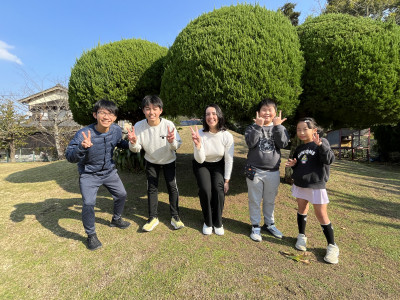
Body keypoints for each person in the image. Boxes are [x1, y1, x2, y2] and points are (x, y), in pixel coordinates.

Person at [65, 99, 133, 251]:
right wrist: (82, 147)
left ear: (115, 117)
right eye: (103, 113)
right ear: (95, 115)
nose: (107, 117)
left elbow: (118, 142)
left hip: (109, 172)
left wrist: (130, 143)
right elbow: (70, 156)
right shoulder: (83, 134)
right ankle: (91, 235)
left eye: (111, 114)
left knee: (121, 194)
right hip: (89, 174)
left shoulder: (115, 130)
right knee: (89, 203)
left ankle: (116, 219)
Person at [285, 117, 339, 264]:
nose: (301, 132)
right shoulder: (299, 148)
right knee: (301, 209)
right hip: (301, 184)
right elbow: (302, 164)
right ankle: (301, 236)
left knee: (321, 214)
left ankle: (332, 246)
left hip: (316, 185)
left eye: (305, 129)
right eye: (298, 129)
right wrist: (294, 165)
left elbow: (329, 160)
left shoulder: (322, 142)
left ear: (314, 130)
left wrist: (320, 145)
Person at [128, 95, 184, 232]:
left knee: (172, 187)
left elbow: (176, 146)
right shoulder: (139, 126)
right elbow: (136, 149)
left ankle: (175, 217)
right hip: (151, 160)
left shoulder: (168, 125)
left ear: (161, 110)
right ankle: (153, 217)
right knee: (152, 188)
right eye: (148, 109)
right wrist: (134, 142)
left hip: (168, 160)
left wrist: (171, 141)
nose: (151, 112)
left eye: (155, 108)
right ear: (143, 111)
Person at [245, 98, 289, 242]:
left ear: (275, 112)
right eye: (264, 109)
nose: (267, 112)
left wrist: (277, 127)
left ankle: (270, 224)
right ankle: (255, 226)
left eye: (270, 110)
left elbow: (282, 144)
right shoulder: (252, 127)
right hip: (254, 170)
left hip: (273, 171)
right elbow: (250, 143)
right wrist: (258, 127)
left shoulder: (280, 127)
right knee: (255, 200)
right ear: (258, 112)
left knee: (270, 200)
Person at [190, 104, 234, 236]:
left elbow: (228, 159)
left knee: (219, 190)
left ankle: (218, 222)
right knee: (205, 190)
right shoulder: (199, 134)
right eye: (207, 114)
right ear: (205, 117)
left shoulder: (226, 136)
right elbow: (200, 159)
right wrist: (198, 145)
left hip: (218, 164)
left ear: (219, 115)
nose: (211, 117)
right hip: (201, 163)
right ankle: (208, 222)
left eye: (214, 113)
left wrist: (226, 180)